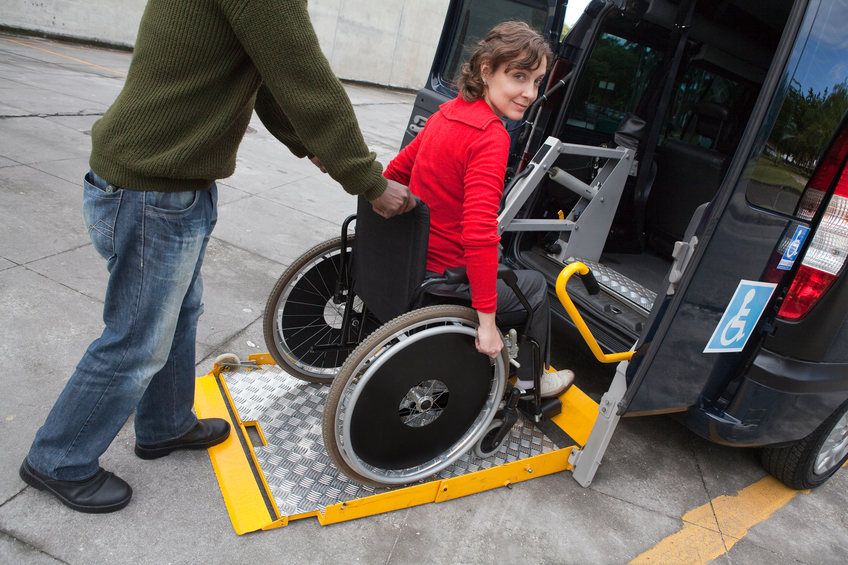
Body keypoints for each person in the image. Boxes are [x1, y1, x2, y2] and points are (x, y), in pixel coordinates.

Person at [19, 0, 414, 514]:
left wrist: (313, 148)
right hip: (152, 191)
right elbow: (304, 80)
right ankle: (58, 460)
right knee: (137, 340)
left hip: (167, 186)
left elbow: (270, 83)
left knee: (180, 316)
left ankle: (164, 425)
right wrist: (364, 178)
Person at [383, 21, 575, 397]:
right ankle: (533, 382)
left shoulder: (445, 113)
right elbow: (478, 234)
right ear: (486, 70)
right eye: (518, 76)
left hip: (409, 262)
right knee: (534, 286)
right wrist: (487, 324)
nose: (529, 93)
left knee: (507, 266)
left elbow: (394, 174)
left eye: (536, 81)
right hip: (444, 279)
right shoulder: (491, 136)